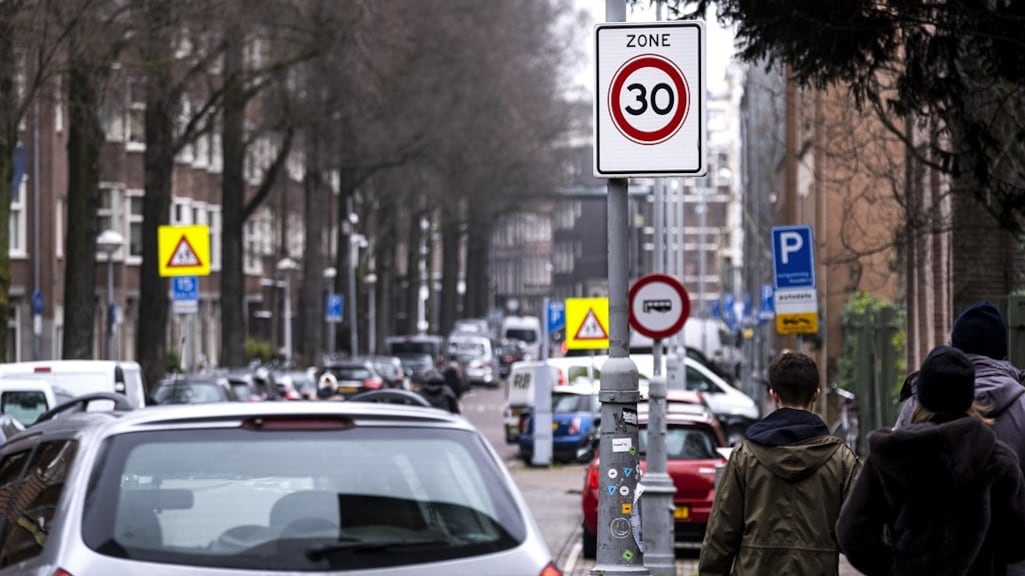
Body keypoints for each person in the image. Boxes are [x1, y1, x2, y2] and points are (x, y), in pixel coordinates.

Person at [837, 345, 1025, 574]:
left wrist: (894, 567)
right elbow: (1016, 541)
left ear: (921, 396)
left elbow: (852, 534)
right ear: (968, 396)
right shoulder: (996, 460)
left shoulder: (890, 455)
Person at [698, 352, 861, 576]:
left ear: (773, 395)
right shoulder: (841, 460)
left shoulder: (745, 456)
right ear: (816, 394)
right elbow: (857, 530)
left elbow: (721, 532)